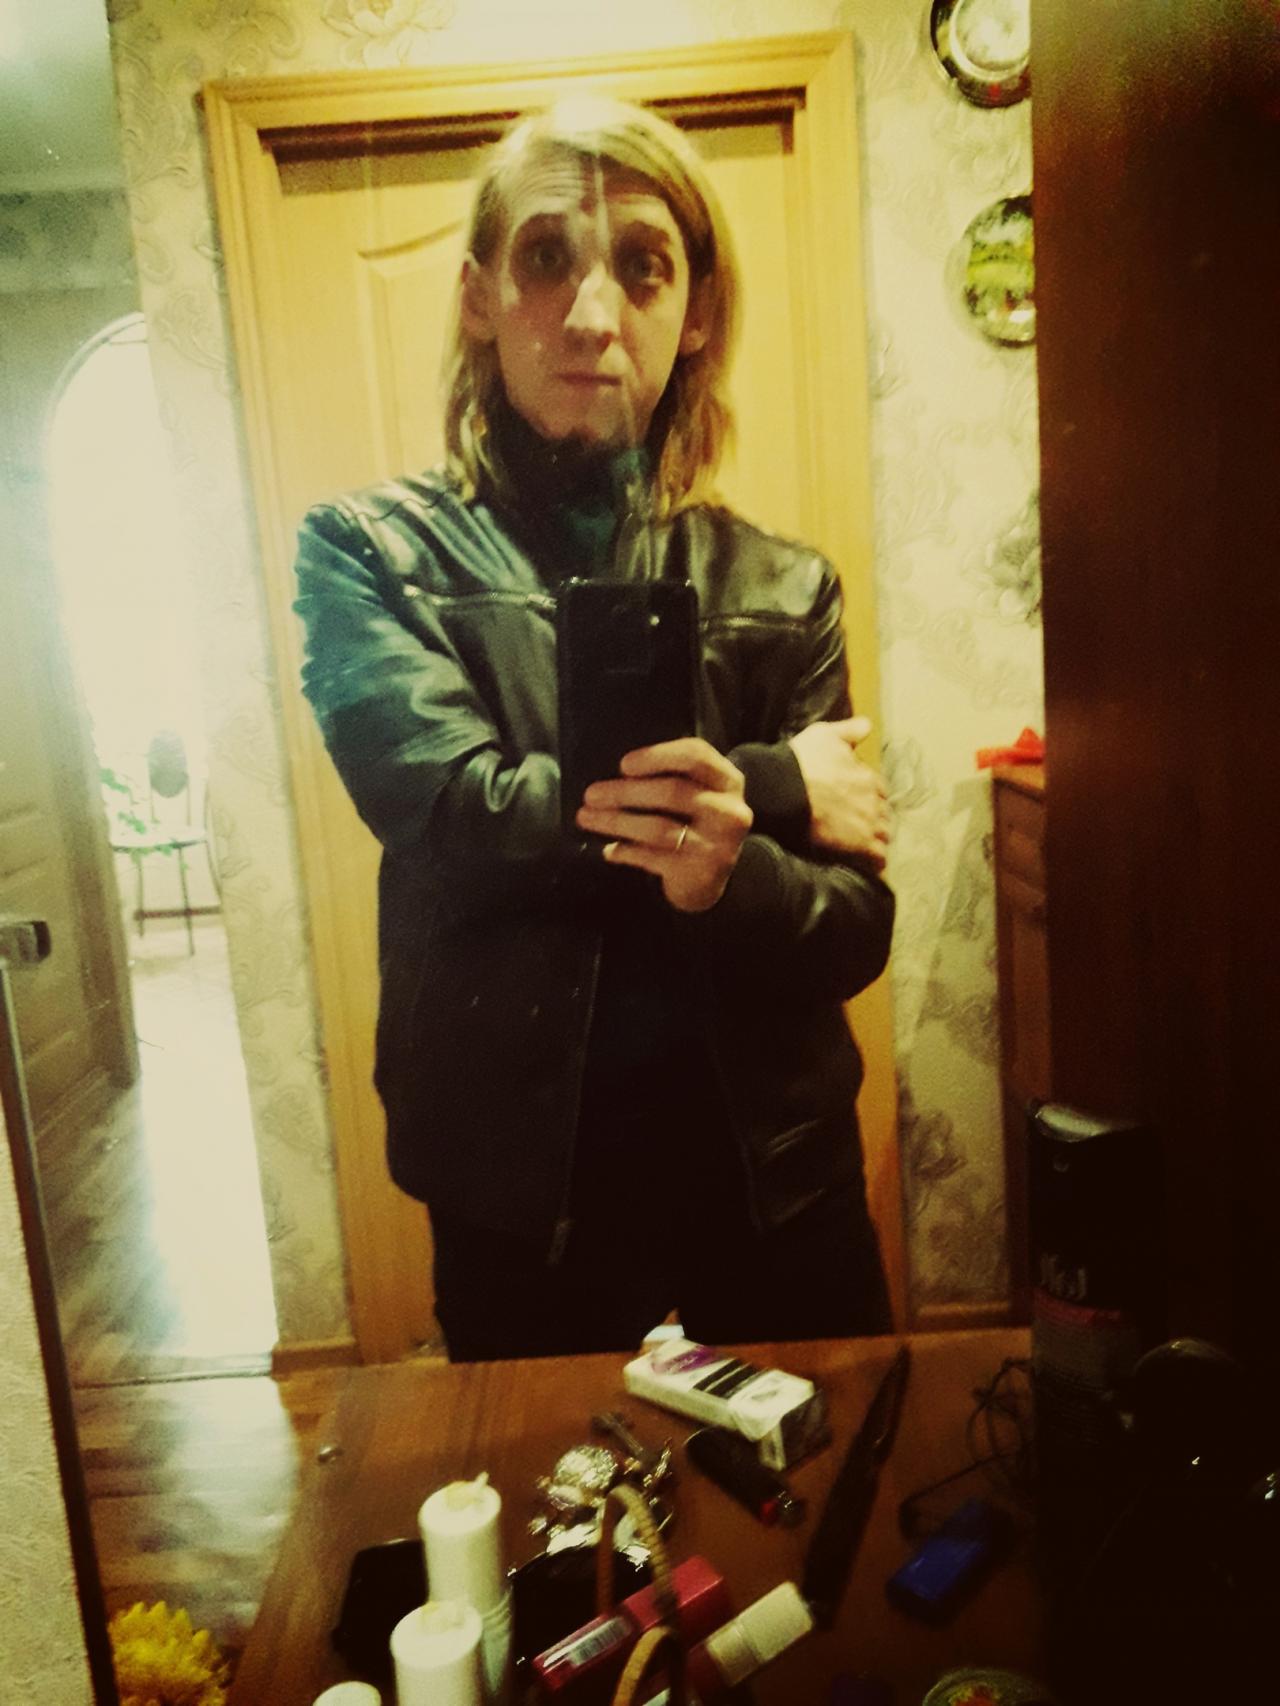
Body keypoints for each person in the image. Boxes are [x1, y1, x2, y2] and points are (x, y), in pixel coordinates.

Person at [294, 96, 894, 1361]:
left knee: (826, 1461)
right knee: (536, 1484)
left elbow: (852, 929)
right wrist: (773, 786)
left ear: (698, 311)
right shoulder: (368, 554)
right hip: (518, 1192)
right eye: (545, 257)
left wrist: (726, 875)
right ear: (476, 295)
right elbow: (451, 811)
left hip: (772, 1174)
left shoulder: (788, 586)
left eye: (641, 264)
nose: (589, 312)